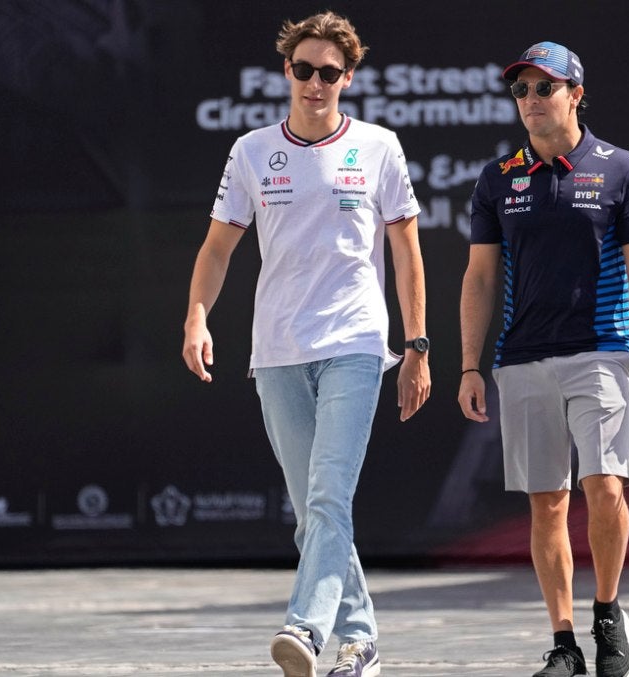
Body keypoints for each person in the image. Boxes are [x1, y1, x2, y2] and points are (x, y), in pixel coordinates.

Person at [182, 12, 430, 677]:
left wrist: (418, 345)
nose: (314, 83)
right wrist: (197, 317)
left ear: (347, 78)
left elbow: (407, 253)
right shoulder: (253, 151)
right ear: (286, 73)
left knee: (326, 497)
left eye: (328, 72)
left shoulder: (379, 147)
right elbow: (217, 248)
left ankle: (305, 625)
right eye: (303, 70)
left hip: (355, 341)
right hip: (277, 352)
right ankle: (361, 639)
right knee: (314, 513)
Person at [457, 41, 629, 677]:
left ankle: (608, 614)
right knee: (546, 503)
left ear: (576, 95)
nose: (530, 101)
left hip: (602, 352)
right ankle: (564, 642)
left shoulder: (618, 168)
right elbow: (478, 278)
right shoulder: (497, 179)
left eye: (544, 89)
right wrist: (470, 366)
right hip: (521, 358)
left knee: (604, 486)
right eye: (521, 90)